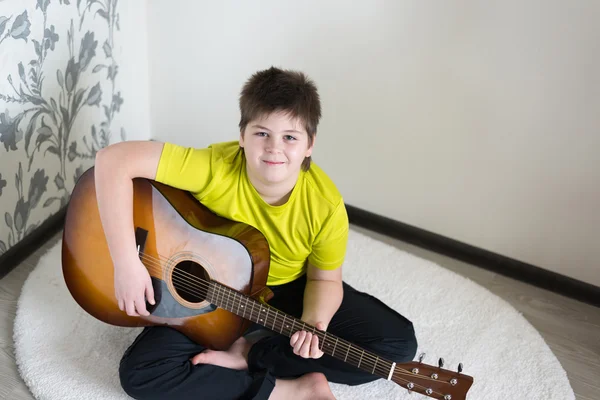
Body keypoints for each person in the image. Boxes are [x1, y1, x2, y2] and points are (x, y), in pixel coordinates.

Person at [94, 66, 418, 400]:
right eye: (262, 133)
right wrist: (126, 262)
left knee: (397, 346)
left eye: (290, 137)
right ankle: (290, 390)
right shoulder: (215, 167)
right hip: (217, 290)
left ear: (309, 144)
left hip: (287, 289)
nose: (274, 148)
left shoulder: (326, 204)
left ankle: (250, 353)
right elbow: (112, 160)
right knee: (142, 374)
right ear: (242, 136)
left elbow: (325, 280)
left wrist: (312, 323)